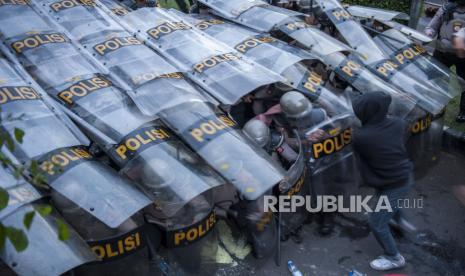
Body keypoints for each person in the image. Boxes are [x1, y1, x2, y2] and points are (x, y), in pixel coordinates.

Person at [352, 92, 414, 271]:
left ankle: (393, 257)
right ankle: (399, 221)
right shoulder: (398, 124)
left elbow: (353, 135)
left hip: (392, 183)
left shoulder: (362, 137)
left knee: (377, 223)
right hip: (402, 176)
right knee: (388, 201)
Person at [425, 0, 465, 122]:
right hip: (442, 50)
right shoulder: (446, 8)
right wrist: (429, 32)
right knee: (435, 78)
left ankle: (463, 111)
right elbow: (431, 26)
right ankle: (436, 106)